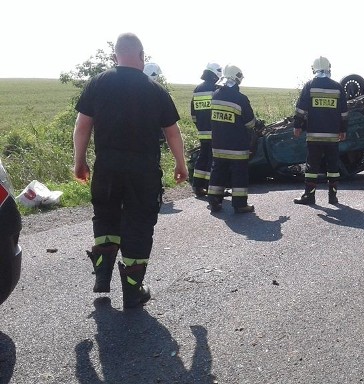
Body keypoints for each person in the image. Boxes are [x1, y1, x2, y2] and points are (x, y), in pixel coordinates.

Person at [73, 32, 189, 308]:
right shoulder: (155, 90)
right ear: (142, 56)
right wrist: (181, 164)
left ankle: (102, 274)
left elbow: (82, 126)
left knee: (106, 215)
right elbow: (172, 133)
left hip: (107, 166)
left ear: (115, 56)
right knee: (138, 224)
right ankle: (133, 290)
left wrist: (79, 161)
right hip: (143, 169)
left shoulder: (97, 83)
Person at [293, 56, 348, 205]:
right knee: (333, 166)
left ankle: (309, 196)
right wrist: (343, 130)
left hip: (314, 136)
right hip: (332, 136)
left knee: (312, 166)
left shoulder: (309, 86)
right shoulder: (338, 87)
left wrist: (297, 126)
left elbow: (301, 110)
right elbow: (344, 112)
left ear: (313, 69)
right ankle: (333, 197)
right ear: (329, 68)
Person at [207, 64, 257, 214]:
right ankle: (240, 204)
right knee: (239, 175)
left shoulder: (215, 95)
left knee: (217, 172)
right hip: (236, 146)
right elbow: (250, 123)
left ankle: (214, 201)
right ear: (237, 79)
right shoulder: (240, 98)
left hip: (218, 144)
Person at [190, 62, 222, 197]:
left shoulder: (197, 89)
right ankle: (211, 188)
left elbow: (193, 114)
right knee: (213, 160)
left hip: (202, 131)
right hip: (216, 131)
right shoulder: (216, 89)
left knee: (202, 157)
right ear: (215, 73)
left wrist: (200, 126)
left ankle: (197, 186)